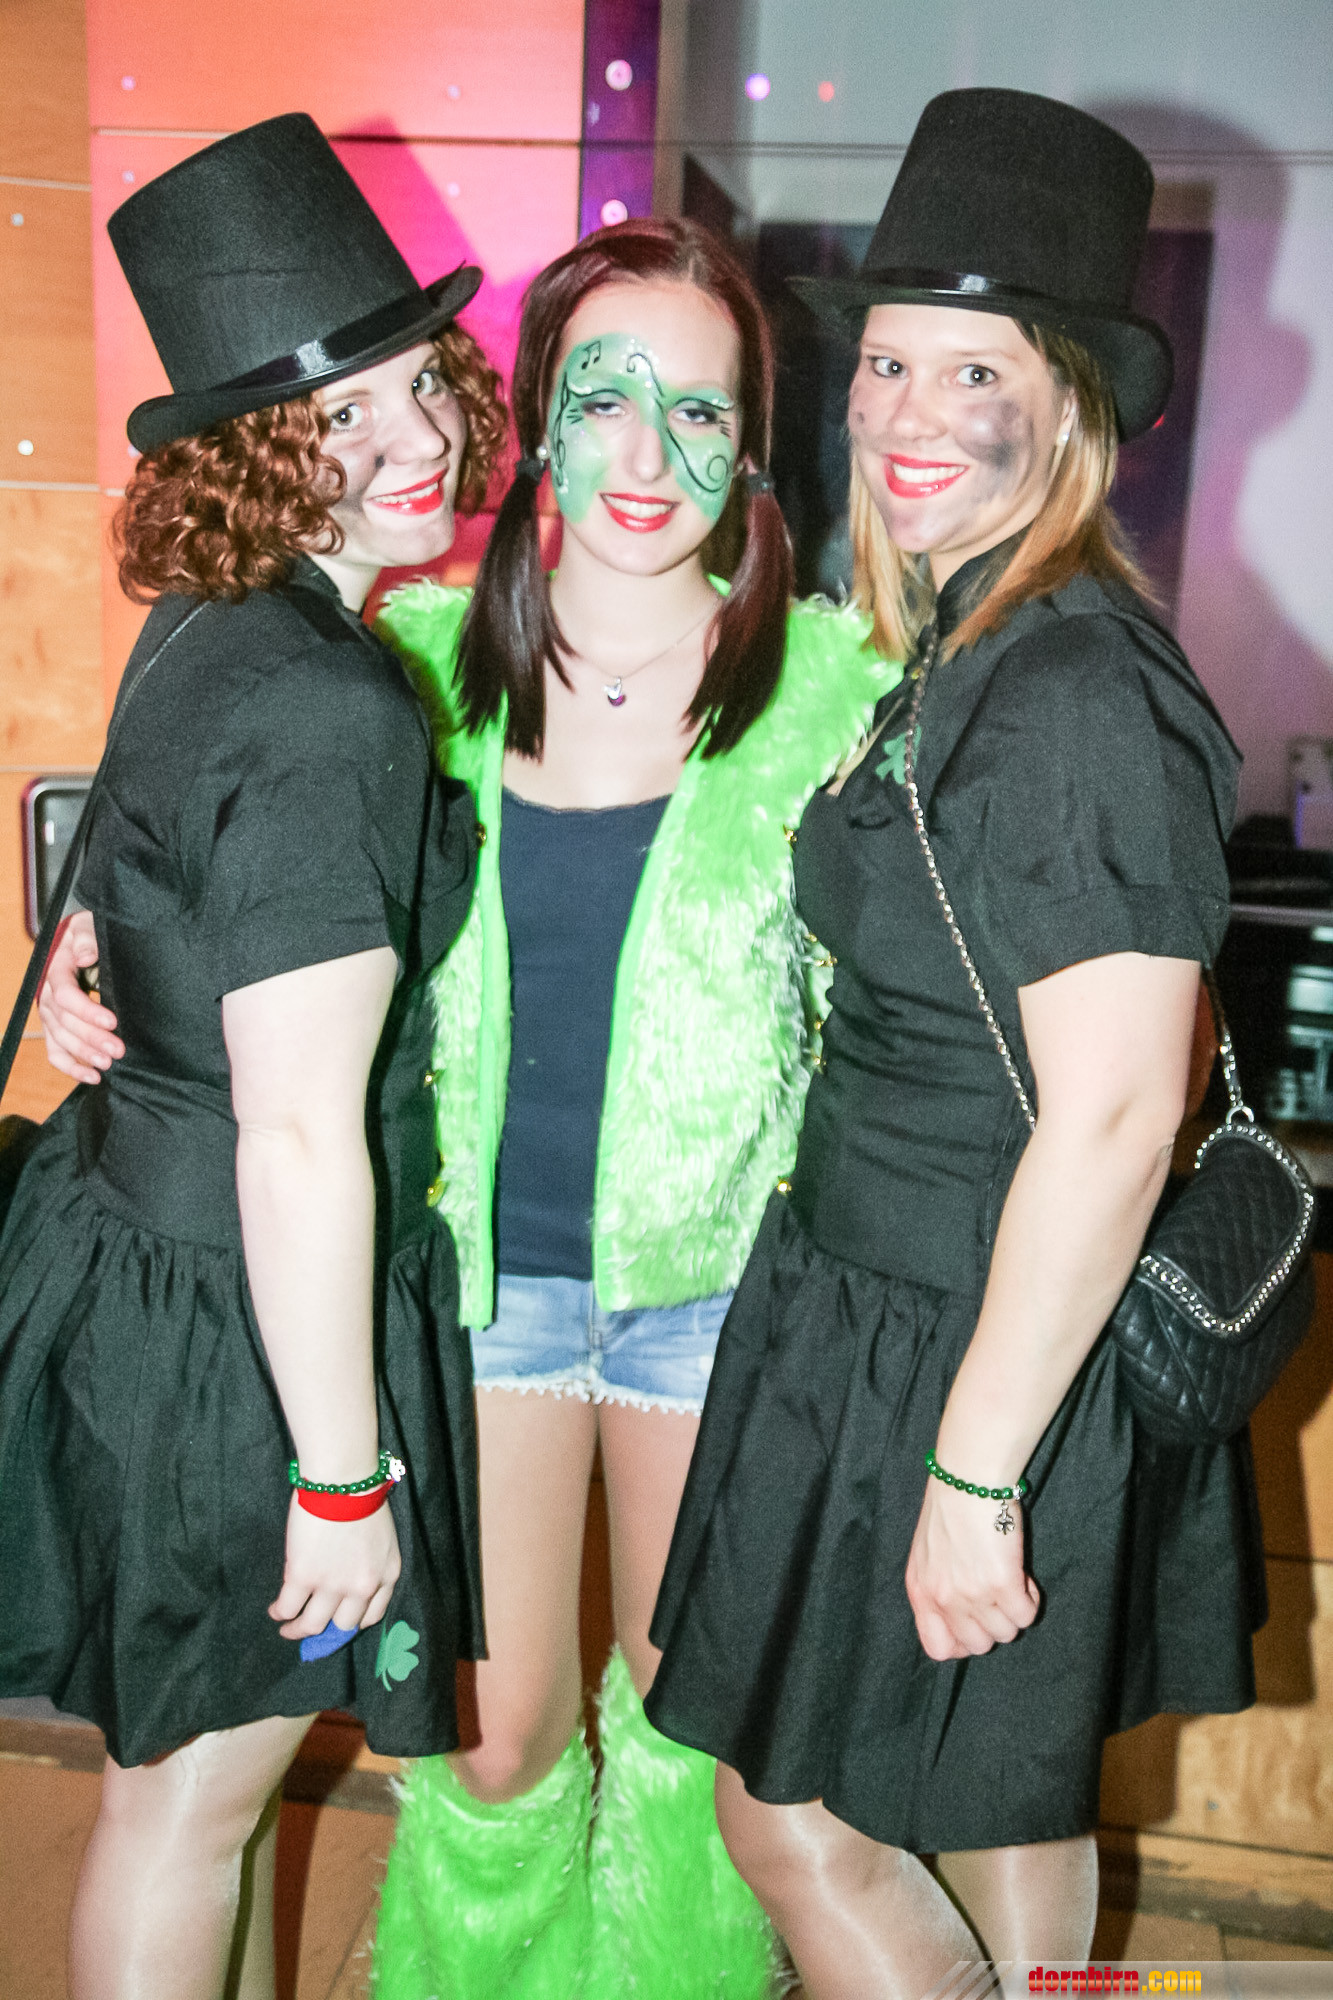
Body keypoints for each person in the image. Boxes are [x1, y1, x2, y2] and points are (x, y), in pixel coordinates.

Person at [43, 216, 899, 1996]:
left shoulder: (839, 690)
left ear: (753, 439)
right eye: (602, 398)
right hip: (464, 1287)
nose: (646, 454)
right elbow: (219, 845)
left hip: (714, 1292)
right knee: (490, 1750)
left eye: (699, 408)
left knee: (691, 1739)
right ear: (535, 411)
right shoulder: (409, 656)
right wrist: (95, 956)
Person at [643, 90, 1266, 1998]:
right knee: (1003, 1799)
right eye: (886, 362)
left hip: (969, 1339)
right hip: (893, 1303)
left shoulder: (1067, 688)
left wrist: (976, 1472)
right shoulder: (975, 644)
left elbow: (1117, 1116)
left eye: (972, 370)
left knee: (793, 1822)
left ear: (1065, 409)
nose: (904, 412)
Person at [1, 113, 506, 2000]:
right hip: (238, 1320)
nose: (416, 440)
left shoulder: (205, 627)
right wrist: (344, 1478)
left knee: (167, 1796)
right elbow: (301, 1137)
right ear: (252, 455)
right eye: (340, 418)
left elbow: (136, 880)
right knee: (197, 1805)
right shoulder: (325, 702)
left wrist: (99, 979)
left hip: (138, 1255)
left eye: (419, 383)